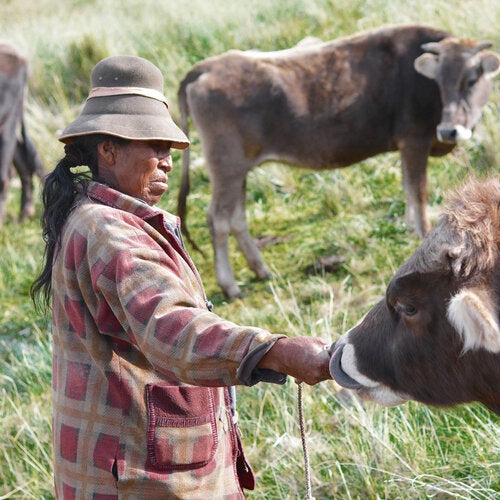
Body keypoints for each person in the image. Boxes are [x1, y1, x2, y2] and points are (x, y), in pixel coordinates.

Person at [31, 55, 331, 499]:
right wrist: (273, 350)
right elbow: (171, 328)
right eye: (153, 145)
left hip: (115, 463)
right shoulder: (110, 232)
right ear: (107, 150)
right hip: (140, 478)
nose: (167, 160)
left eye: (168, 149)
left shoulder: (94, 218)